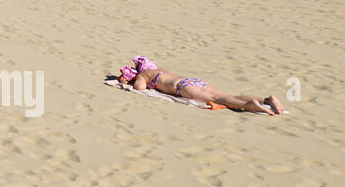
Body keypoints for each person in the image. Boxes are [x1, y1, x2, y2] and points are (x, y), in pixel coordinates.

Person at [116, 55, 285, 114]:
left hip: (181, 87)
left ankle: (252, 106)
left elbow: (140, 88)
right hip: (193, 80)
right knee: (226, 95)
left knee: (220, 100)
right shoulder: (161, 70)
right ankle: (266, 99)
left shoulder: (144, 74)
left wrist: (132, 81)